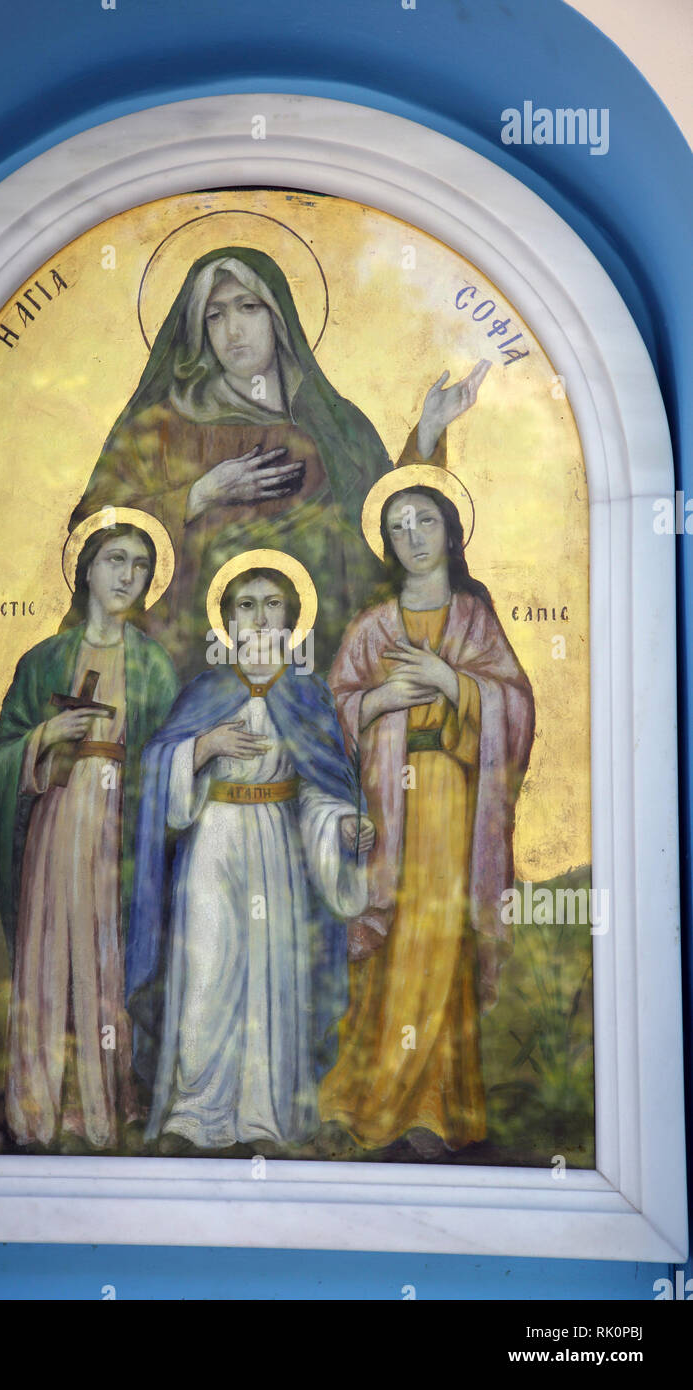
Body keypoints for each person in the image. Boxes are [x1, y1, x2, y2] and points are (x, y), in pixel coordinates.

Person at [67, 244, 489, 674]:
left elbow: (387, 525)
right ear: (198, 327)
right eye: (215, 315)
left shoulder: (335, 424)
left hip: (322, 661)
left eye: (247, 307)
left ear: (277, 316)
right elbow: (93, 529)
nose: (232, 330)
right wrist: (197, 495)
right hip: (191, 663)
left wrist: (429, 433)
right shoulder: (159, 428)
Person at [126, 558, 375, 1152]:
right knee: (208, 970)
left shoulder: (308, 694)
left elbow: (322, 785)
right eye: (246, 604)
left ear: (291, 618)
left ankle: (264, 1118)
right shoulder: (205, 691)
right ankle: (194, 1115)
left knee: (272, 974)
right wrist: (204, 745)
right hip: (211, 839)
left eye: (272, 604)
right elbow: (155, 772)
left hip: (279, 844)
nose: (260, 616)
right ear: (228, 619)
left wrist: (341, 825)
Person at [318, 483, 535, 1159]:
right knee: (385, 947)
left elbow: (519, 711)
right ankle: (372, 1098)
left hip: (450, 806)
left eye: (424, 522)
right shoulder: (373, 626)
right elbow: (330, 722)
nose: (412, 537)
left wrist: (451, 682)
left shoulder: (474, 620)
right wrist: (378, 698)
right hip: (385, 807)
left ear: (450, 532)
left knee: (439, 947)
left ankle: (433, 1107)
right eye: (397, 527)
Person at [0, 518, 179, 1151]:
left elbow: (164, 759)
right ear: (86, 569)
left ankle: (99, 1109)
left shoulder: (153, 665)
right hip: (54, 829)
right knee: (46, 956)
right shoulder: (43, 661)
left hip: (116, 836)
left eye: (139, 565)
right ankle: (39, 1110)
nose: (126, 575)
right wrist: (42, 739)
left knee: (101, 961)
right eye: (114, 559)